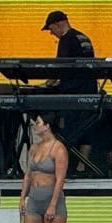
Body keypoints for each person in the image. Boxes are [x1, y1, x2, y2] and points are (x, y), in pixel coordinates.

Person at [13, 112, 72, 223]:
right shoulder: (34, 148)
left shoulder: (58, 149)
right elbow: (28, 175)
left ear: (47, 125)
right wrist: (23, 197)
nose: (35, 126)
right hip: (34, 201)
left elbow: (60, 179)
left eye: (37, 123)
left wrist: (53, 205)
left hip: (51, 199)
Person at [41, 10, 97, 174]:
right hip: (89, 91)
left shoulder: (66, 40)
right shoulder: (84, 38)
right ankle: (82, 166)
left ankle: (65, 168)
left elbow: (62, 67)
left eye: (52, 29)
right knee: (87, 128)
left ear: (59, 24)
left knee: (70, 129)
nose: (52, 34)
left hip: (73, 93)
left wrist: (51, 80)